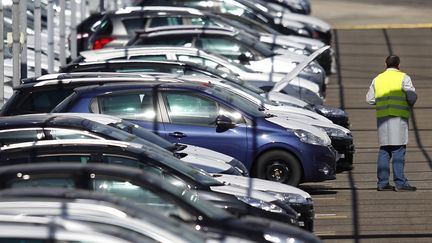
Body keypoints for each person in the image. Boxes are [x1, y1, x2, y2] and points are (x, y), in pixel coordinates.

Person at [366, 55, 417, 192]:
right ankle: (400, 182)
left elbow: (370, 99)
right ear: (398, 65)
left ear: (385, 64)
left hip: (383, 119)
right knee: (398, 150)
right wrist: (409, 102)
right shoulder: (404, 78)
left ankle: (382, 183)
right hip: (398, 118)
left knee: (384, 150)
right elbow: (411, 96)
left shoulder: (378, 79)